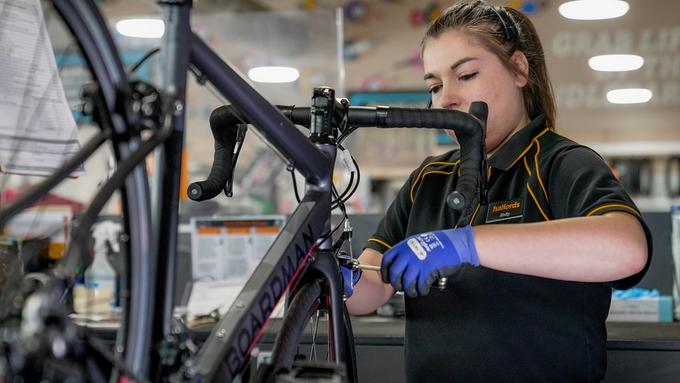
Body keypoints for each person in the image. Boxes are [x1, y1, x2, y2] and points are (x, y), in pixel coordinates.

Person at [342, 1, 652, 382]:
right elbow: (372, 287)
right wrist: (336, 276)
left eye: (467, 75)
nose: (447, 99)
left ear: (519, 68)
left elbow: (627, 249)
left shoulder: (560, 163)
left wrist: (465, 244)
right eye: (435, 86)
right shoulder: (430, 177)